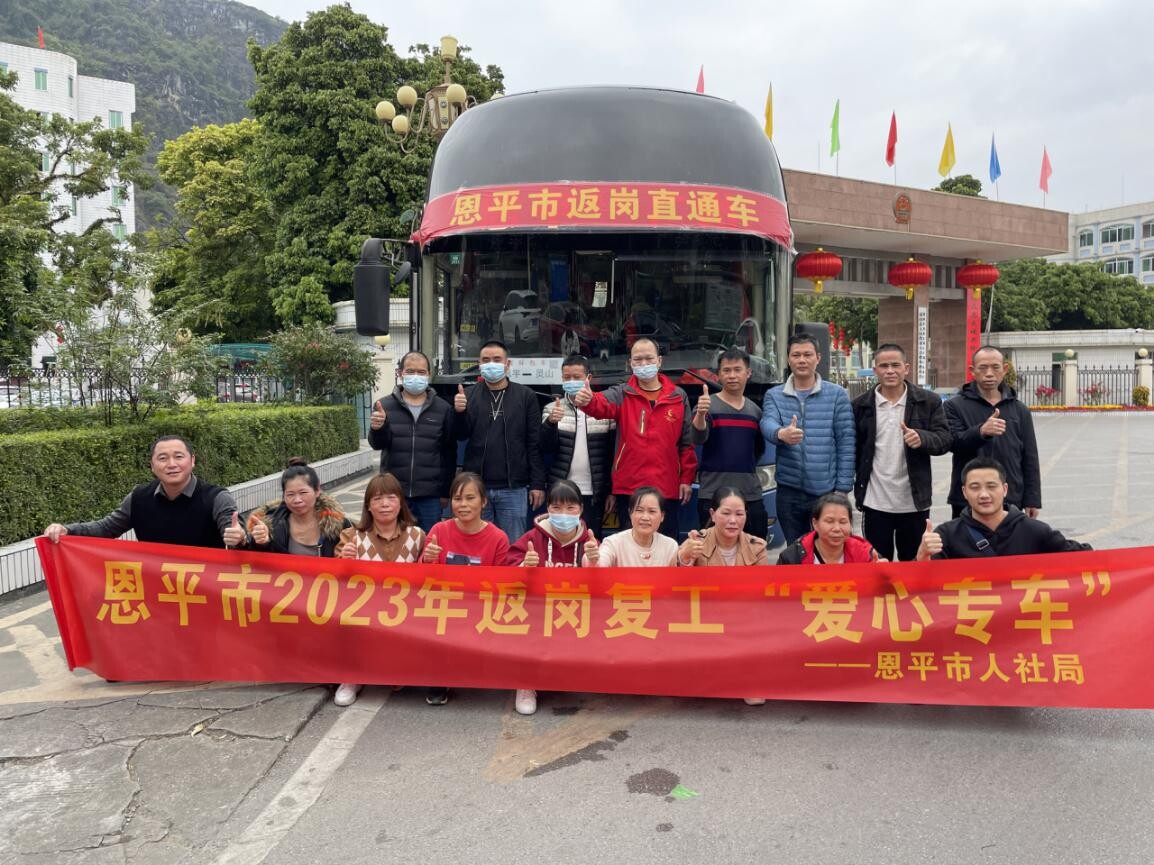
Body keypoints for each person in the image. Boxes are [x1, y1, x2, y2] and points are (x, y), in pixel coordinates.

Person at [575, 337, 697, 539]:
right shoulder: (623, 393)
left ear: (659, 361)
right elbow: (600, 404)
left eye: (649, 359)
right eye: (638, 360)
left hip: (667, 485)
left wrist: (686, 479)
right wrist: (588, 400)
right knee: (629, 544)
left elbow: (686, 443)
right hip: (630, 486)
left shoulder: (678, 396)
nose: (643, 364)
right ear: (630, 363)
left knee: (666, 545)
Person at [504, 479, 601, 716]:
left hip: (574, 612)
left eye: (571, 508)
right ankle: (526, 684)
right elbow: (508, 571)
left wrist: (593, 561)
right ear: (547, 508)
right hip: (538, 612)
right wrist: (525, 566)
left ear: (581, 509)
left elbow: (601, 583)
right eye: (556, 508)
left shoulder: (589, 542)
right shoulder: (532, 538)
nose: (563, 514)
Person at [43, 435, 244, 548]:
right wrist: (67, 530)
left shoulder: (217, 498)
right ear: (152, 465)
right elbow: (107, 528)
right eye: (163, 458)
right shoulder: (139, 498)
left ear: (192, 461)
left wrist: (241, 538)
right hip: (156, 591)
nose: (171, 464)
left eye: (179, 457)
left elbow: (239, 536)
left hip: (204, 591)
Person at [332, 473, 427, 708]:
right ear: (368, 506)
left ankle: (397, 668)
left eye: (391, 498)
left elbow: (427, 579)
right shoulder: (352, 536)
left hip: (403, 614)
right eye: (377, 499)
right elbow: (333, 578)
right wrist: (343, 560)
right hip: (363, 612)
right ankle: (352, 677)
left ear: (401, 503)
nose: (384, 504)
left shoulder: (418, 536)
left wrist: (431, 559)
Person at [851, 343, 952, 561]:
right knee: (878, 563)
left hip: (914, 502)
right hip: (875, 502)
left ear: (906, 368)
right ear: (875, 370)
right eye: (884, 366)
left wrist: (922, 438)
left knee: (914, 562)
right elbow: (854, 449)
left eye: (895, 365)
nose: (890, 371)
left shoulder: (928, 401)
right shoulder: (860, 406)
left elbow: (945, 439)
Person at [420, 471, 510, 706]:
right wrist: (428, 560)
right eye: (457, 499)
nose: (463, 505)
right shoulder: (439, 531)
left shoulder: (498, 538)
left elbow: (501, 584)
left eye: (470, 498)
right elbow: (424, 580)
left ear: (484, 501)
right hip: (445, 608)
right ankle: (439, 677)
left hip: (481, 607)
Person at [760, 334, 855, 545]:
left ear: (818, 358)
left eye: (807, 355)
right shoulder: (774, 395)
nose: (802, 360)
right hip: (789, 490)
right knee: (796, 549)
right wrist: (781, 433)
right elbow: (767, 423)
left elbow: (846, 443)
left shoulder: (837, 395)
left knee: (828, 548)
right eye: (796, 355)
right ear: (788, 359)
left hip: (826, 491)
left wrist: (842, 489)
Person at [453, 340, 546, 541]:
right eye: (486, 360)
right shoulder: (468, 395)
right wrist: (459, 413)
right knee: (477, 544)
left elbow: (534, 443)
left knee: (513, 546)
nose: (491, 364)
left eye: (497, 359)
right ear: (479, 364)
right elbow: (460, 435)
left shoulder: (526, 396)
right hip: (476, 488)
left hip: (514, 488)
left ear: (507, 364)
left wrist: (537, 483)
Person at [917, 457, 1090, 559]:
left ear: (1005, 489)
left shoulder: (1034, 531)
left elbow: (1085, 558)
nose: (984, 494)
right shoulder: (947, 535)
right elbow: (918, 583)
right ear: (964, 492)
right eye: (975, 487)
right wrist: (923, 554)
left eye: (991, 486)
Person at [944, 345, 1042, 519]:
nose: (989, 373)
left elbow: (1030, 457)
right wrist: (981, 432)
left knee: (1010, 537)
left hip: (1009, 497)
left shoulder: (1019, 409)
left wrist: (1032, 499)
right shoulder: (954, 406)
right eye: (983, 368)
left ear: (1004, 369)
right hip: (968, 498)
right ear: (972, 370)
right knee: (967, 537)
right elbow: (952, 442)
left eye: (995, 367)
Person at [368, 350, 455, 533]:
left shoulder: (443, 408)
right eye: (410, 371)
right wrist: (378, 428)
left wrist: (445, 491)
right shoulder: (384, 406)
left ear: (429, 374)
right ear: (400, 373)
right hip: (394, 493)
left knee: (429, 543)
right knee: (394, 541)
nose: (416, 376)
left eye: (421, 372)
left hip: (430, 496)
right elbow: (378, 444)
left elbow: (448, 453)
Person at [690, 348, 769, 540]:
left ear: (748, 373)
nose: (732, 375)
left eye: (737, 370)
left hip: (750, 494)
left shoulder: (755, 412)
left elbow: (758, 450)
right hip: (713, 494)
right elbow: (698, 437)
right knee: (712, 550)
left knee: (753, 548)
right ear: (718, 375)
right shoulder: (706, 406)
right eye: (726, 370)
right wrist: (700, 415)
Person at [540, 354, 616, 540]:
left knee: (591, 540)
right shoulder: (552, 408)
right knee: (559, 540)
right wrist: (550, 424)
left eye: (577, 377)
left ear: (588, 378)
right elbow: (545, 448)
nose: (571, 381)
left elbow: (611, 454)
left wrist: (610, 491)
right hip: (562, 490)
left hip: (595, 492)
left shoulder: (605, 409)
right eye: (567, 377)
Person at [246, 459, 352, 557]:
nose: (297, 500)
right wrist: (263, 543)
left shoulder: (339, 525)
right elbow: (258, 562)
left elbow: (352, 560)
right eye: (290, 494)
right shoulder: (273, 525)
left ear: (317, 491)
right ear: (284, 496)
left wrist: (348, 555)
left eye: (303, 492)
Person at [777, 493, 881, 565]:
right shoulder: (793, 558)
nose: (837, 528)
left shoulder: (866, 554)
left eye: (843, 522)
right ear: (815, 523)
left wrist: (883, 572)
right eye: (829, 521)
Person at [677, 487, 769, 567]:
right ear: (712, 514)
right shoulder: (696, 542)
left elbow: (763, 581)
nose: (733, 520)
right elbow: (677, 577)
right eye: (726, 513)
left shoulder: (757, 548)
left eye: (739, 514)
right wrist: (684, 557)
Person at [597, 487, 680, 568]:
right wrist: (593, 560)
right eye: (639, 510)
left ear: (662, 516)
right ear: (630, 513)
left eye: (652, 511)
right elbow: (599, 565)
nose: (645, 517)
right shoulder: (613, 543)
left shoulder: (670, 546)